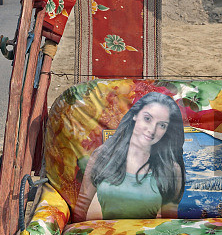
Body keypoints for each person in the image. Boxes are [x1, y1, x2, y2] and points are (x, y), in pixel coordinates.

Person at [73, 92, 186, 222]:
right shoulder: (103, 155)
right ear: (135, 115)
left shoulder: (171, 168)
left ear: (167, 130)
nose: (152, 130)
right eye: (147, 119)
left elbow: (170, 223)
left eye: (162, 125)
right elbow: (82, 206)